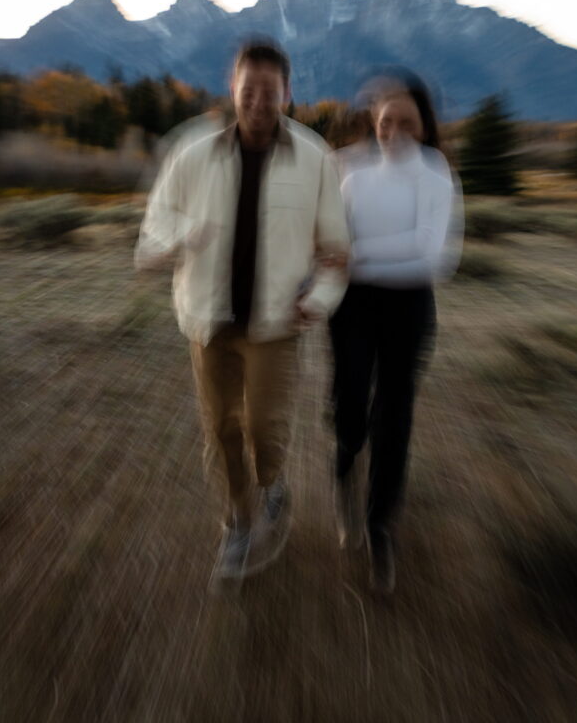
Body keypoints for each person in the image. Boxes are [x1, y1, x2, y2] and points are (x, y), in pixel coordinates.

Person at [135, 37, 349, 584]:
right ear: (233, 88)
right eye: (248, 89)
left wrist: (319, 299)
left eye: (269, 91)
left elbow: (336, 252)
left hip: (277, 322)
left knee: (262, 428)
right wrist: (186, 234)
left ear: (287, 93)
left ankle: (273, 482)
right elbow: (153, 231)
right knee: (220, 428)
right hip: (208, 320)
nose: (257, 101)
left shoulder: (314, 158)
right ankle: (238, 522)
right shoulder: (195, 156)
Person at [330, 74, 462, 593]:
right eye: (387, 122)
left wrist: (357, 256)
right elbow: (329, 240)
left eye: (408, 121)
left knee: (395, 413)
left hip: (409, 308)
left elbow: (435, 256)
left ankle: (380, 523)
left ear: (425, 125)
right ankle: (344, 467)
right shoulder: (352, 175)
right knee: (349, 406)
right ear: (375, 124)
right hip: (352, 308)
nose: (397, 131)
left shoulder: (436, 174)